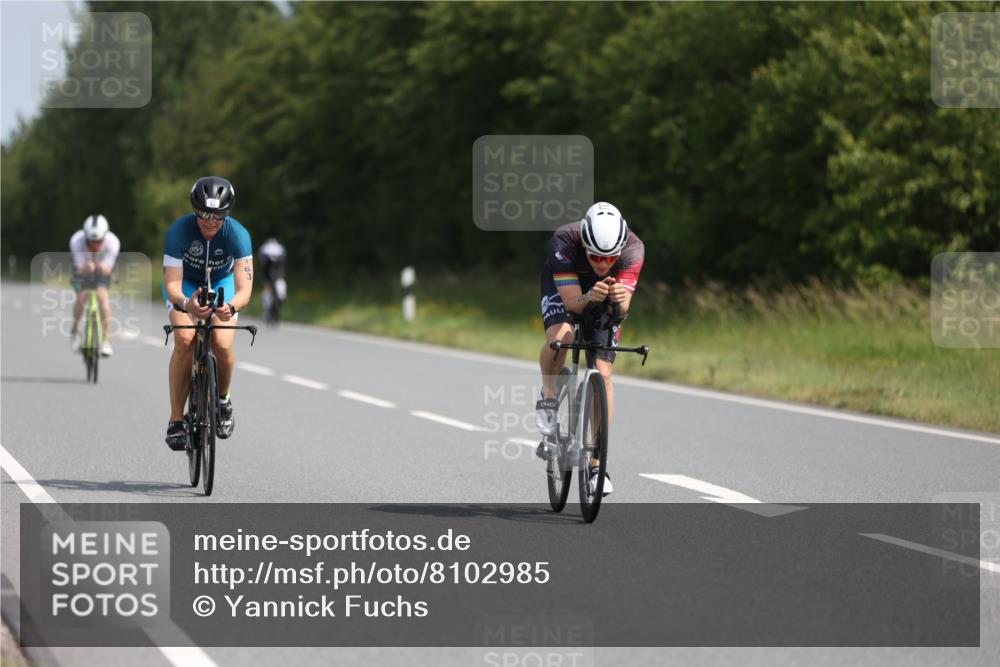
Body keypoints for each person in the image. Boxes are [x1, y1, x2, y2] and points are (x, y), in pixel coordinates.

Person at [535, 202, 645, 496]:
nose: (602, 264)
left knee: (604, 373)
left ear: (621, 248)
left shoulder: (634, 249)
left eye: (610, 258)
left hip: (604, 294)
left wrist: (619, 299)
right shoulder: (564, 241)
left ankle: (597, 465)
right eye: (595, 256)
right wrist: (589, 296)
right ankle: (548, 396)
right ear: (584, 242)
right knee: (562, 336)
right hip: (567, 288)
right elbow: (572, 304)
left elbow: (622, 310)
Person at [162, 176, 253, 451]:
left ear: (227, 214)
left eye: (218, 216)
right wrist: (187, 304)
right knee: (186, 339)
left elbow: (245, 289)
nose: (210, 222)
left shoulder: (238, 235)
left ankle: (223, 399)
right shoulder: (179, 231)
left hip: (223, 283)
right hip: (186, 285)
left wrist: (232, 306)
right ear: (194, 209)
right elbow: (172, 285)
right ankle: (176, 419)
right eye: (203, 215)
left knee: (223, 344)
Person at [69, 215, 120, 357]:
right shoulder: (76, 241)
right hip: (82, 268)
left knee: (103, 297)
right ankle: (74, 331)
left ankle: (105, 340)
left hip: (101, 268)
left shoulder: (113, 242)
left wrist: (102, 267)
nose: (94, 246)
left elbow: (108, 269)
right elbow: (79, 269)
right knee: (82, 296)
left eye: (98, 242)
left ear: (104, 237)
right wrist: (85, 268)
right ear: (85, 237)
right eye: (91, 242)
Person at [257, 237, 286, 324]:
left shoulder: (279, 259)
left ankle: (276, 312)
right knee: (267, 297)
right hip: (268, 281)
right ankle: (267, 313)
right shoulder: (266, 262)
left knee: (281, 295)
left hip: (278, 279)